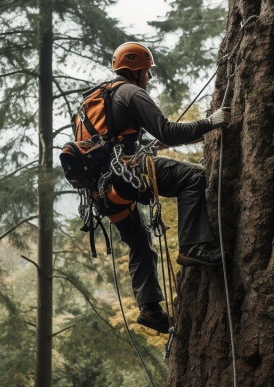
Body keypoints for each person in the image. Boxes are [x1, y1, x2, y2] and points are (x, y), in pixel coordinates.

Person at [99, 42, 229, 334]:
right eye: (148, 72)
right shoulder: (131, 92)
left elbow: (109, 143)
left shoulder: (96, 100)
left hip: (104, 192)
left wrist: (150, 146)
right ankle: (193, 245)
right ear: (137, 70)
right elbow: (167, 129)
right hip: (126, 176)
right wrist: (210, 123)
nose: (149, 77)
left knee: (139, 239)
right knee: (193, 177)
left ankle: (150, 309)